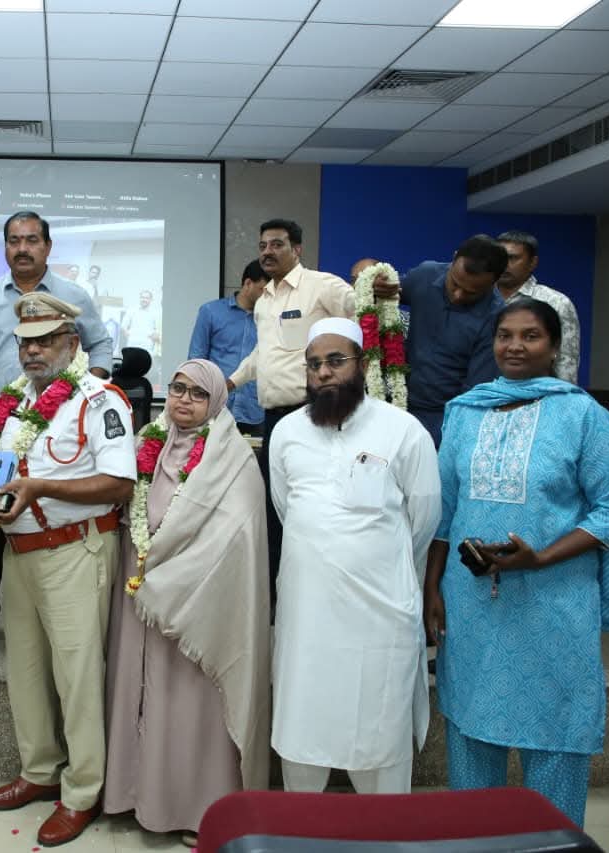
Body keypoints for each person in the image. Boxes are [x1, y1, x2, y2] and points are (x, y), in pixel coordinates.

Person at [425, 298, 609, 826]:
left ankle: (554, 839)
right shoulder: (465, 412)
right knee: (471, 726)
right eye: (505, 335)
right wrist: (432, 588)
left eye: (530, 336)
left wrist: (540, 558)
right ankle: (476, 838)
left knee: (556, 730)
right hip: (472, 601)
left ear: (555, 346)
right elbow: (444, 512)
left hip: (555, 600)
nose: (515, 346)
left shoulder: (584, 416)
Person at [0, 292, 135, 847]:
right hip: (18, 552)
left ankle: (82, 792)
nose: (33, 351)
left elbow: (119, 484)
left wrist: (41, 486)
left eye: (45, 341)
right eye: (25, 342)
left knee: (77, 678)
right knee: (25, 673)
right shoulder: (13, 400)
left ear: (72, 343)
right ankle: (40, 770)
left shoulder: (100, 400)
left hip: (76, 551)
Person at [267, 317, 440, 795]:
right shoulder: (286, 432)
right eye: (314, 364)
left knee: (379, 733)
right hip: (307, 614)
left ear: (362, 364)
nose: (324, 372)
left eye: (336, 361)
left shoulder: (403, 430)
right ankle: (302, 829)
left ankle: (383, 830)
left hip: (379, 614)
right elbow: (286, 509)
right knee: (303, 724)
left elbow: (424, 519)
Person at [105, 359, 270, 847]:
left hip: (195, 605)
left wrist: (173, 578)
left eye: (198, 393)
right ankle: (133, 795)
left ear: (216, 402)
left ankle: (197, 808)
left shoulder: (233, 458)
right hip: (139, 591)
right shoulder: (147, 442)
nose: (184, 400)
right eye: (178, 388)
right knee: (138, 692)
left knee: (186, 706)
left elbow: (237, 537)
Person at [0, 211, 113, 648]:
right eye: (14, 240)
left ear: (47, 246)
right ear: (5, 247)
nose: (22, 248)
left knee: (45, 509)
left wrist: (81, 387)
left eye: (31, 240)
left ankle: (46, 607)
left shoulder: (73, 295)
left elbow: (101, 345)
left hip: (57, 426)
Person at [227, 218, 389, 614]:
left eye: (277, 244)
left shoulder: (322, 286)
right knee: (276, 508)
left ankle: (325, 593)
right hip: (274, 420)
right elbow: (263, 355)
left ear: (297, 249)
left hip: (318, 415)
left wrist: (378, 293)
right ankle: (278, 599)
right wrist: (230, 381)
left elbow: (366, 313)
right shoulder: (263, 300)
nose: (267, 252)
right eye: (263, 245)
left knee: (316, 506)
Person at [399, 234, 506, 446]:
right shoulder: (425, 275)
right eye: (454, 283)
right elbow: (386, 291)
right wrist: (376, 281)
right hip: (398, 404)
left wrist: (451, 435)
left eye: (471, 293)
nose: (458, 295)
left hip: (446, 418)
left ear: (494, 282)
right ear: (454, 257)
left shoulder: (497, 318)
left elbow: (475, 392)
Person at [188, 259, 267, 435]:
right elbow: (196, 360)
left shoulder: (269, 319)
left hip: (255, 410)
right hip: (216, 407)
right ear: (248, 283)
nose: (268, 296)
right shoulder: (211, 311)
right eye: (264, 290)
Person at [495, 230, 580, 384]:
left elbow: (566, 361)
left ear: (533, 262)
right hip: (483, 392)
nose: (504, 264)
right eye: (499, 258)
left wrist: (562, 395)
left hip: (538, 391)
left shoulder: (556, 302)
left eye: (513, 258)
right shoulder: (479, 296)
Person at [123, 290, 160, 354]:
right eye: (142, 297)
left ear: (151, 300)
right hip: (132, 343)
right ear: (140, 298)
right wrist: (129, 335)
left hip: (147, 345)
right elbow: (124, 326)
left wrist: (154, 336)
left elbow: (158, 329)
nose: (144, 300)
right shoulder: (131, 310)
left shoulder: (155, 313)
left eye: (147, 298)